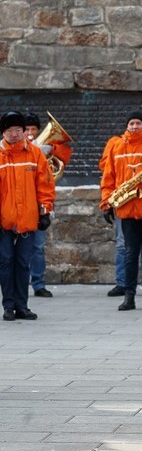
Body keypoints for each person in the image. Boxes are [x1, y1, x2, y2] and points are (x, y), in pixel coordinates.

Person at [99, 112, 142, 312]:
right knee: (130, 254)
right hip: (126, 208)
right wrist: (107, 202)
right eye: (131, 123)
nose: (135, 126)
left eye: (138, 123)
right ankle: (129, 296)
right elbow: (108, 177)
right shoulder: (117, 146)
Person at [0, 111, 56, 321]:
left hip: (28, 218)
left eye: (17, 130)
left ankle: (22, 305)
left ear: (24, 131)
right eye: (9, 130)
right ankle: (8, 305)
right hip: (4, 219)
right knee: (5, 262)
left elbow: (45, 185)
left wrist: (45, 211)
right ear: (3, 132)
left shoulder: (35, 153)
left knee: (23, 263)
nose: (14, 134)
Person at [23, 113, 73, 299]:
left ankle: (38, 284)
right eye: (26, 129)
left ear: (38, 130)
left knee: (37, 247)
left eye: (33, 129)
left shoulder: (48, 148)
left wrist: (46, 153)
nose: (29, 133)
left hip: (38, 204)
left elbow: (60, 165)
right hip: (18, 206)